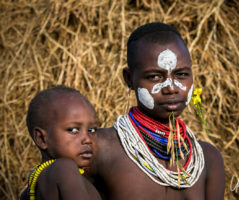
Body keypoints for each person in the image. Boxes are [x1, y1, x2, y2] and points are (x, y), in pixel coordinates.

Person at [87, 22, 225, 200]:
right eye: (154, 77)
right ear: (129, 79)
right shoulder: (98, 148)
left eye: (181, 74)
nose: (171, 88)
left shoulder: (207, 158)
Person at [20, 85, 101, 200]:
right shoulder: (64, 168)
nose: (87, 139)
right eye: (73, 130)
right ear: (41, 139)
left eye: (91, 130)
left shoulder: (31, 188)